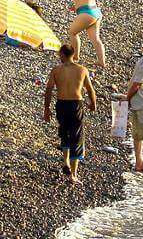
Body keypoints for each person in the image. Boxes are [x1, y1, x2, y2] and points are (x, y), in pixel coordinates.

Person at [43, 44, 97, 184]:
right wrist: (93, 104)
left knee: (64, 132)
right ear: (73, 54)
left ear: (62, 54)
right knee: (77, 137)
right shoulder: (82, 70)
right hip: (76, 105)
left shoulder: (56, 70)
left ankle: (65, 162)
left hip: (61, 104)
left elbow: (49, 90)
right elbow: (90, 90)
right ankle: (73, 175)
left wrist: (46, 109)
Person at [66, 0, 106, 68]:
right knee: (95, 39)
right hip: (94, 12)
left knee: (72, 33)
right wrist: (75, 6)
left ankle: (75, 56)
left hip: (88, 13)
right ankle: (101, 62)